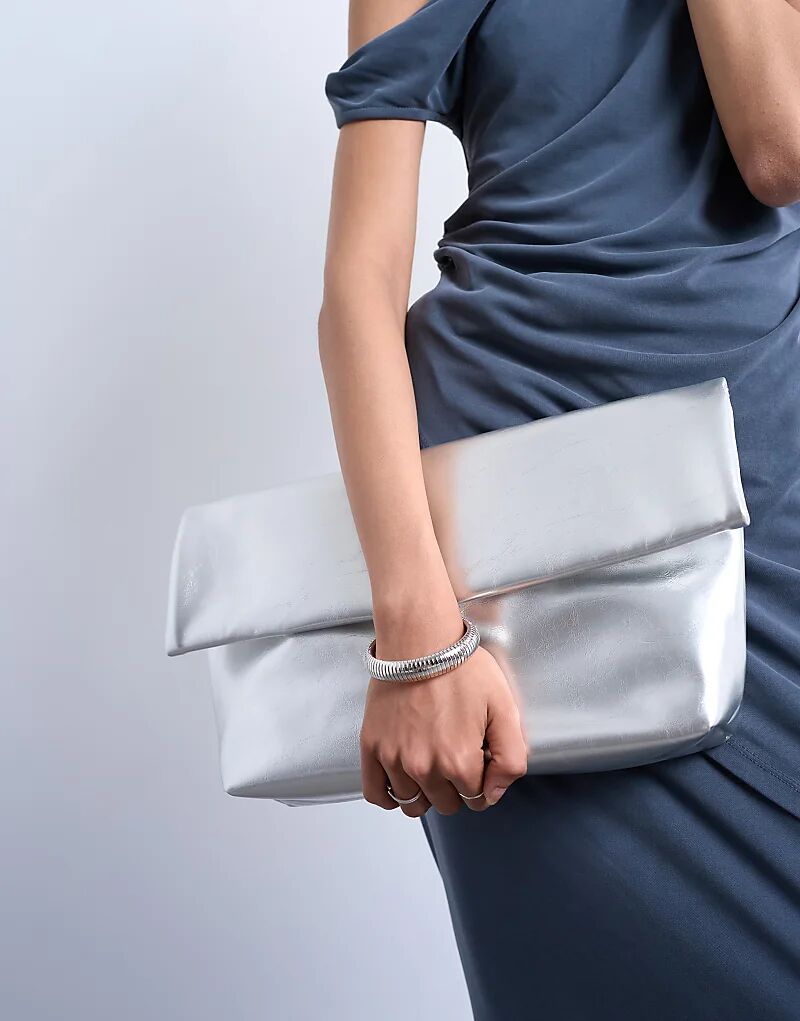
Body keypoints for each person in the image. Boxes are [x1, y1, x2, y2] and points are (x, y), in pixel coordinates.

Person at [317, 1, 800, 1017]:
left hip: (768, 457)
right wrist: (419, 636)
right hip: (536, 505)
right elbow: (359, 285)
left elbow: (779, 141)